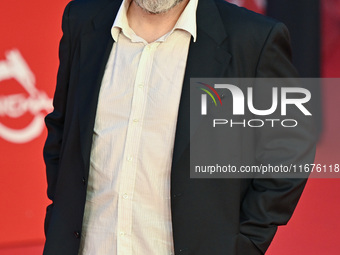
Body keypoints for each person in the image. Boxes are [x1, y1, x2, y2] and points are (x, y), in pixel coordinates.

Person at [43, 0, 316, 254]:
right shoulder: (81, 19)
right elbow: (63, 127)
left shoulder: (251, 38)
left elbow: (291, 146)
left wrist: (245, 241)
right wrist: (60, 215)